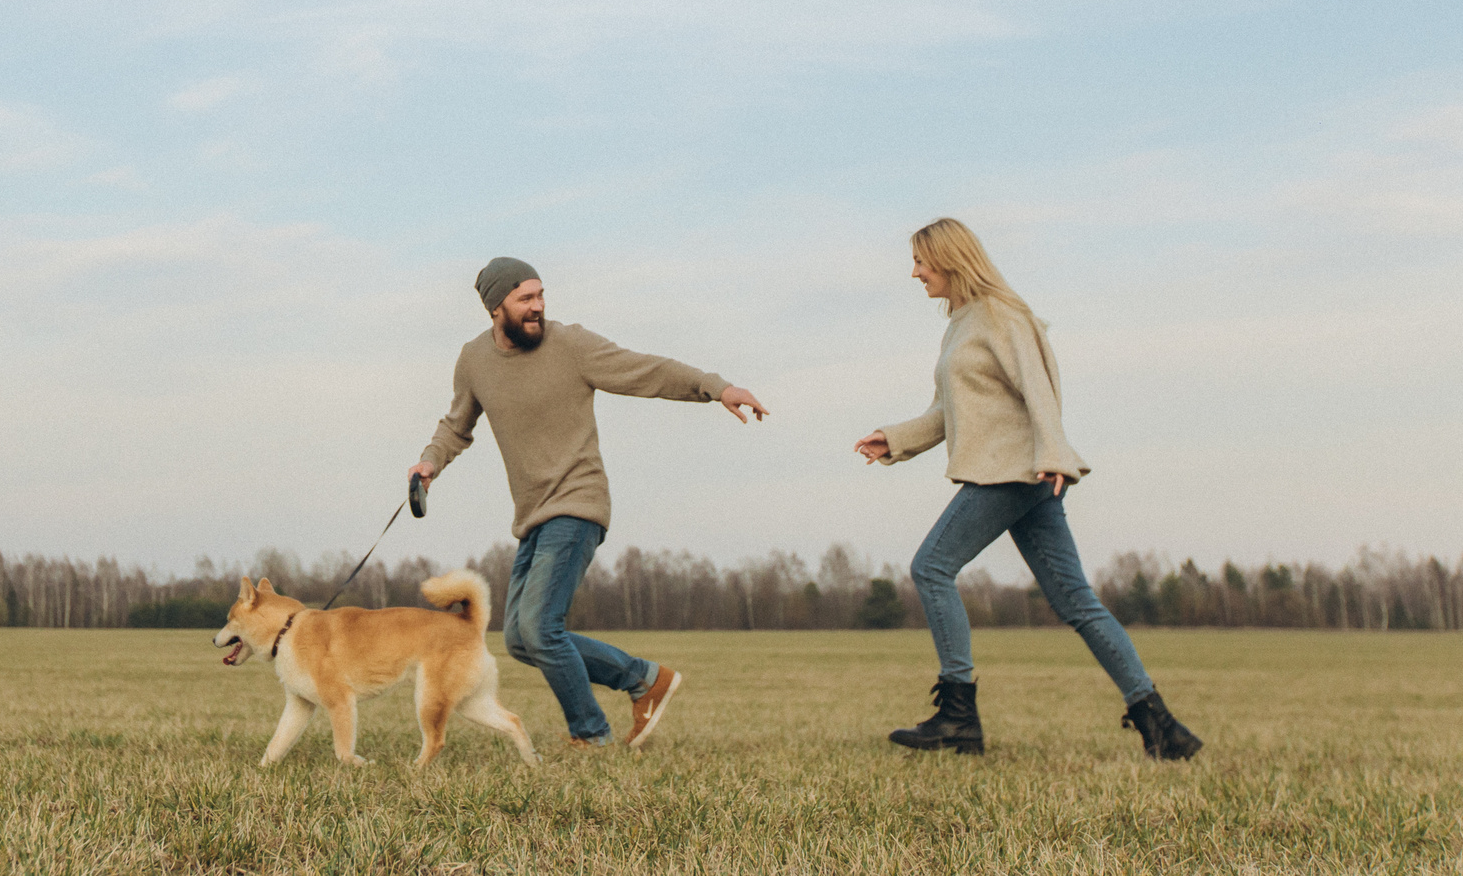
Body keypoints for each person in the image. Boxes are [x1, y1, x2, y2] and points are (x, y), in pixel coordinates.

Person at [855, 218, 1204, 761]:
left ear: (950, 258)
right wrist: (895, 439)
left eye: (921, 261)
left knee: (931, 568)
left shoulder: (1001, 315)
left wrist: (1056, 455)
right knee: (1077, 603)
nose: (915, 272)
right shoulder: (961, 323)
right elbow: (950, 410)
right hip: (1024, 476)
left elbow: (1038, 391)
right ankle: (1161, 726)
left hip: (1013, 473)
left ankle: (958, 714)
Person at [407, 256, 768, 751]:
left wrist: (715, 387)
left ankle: (590, 735)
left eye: (540, 295)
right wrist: (430, 464)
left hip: (578, 502)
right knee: (519, 638)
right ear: (496, 308)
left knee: (539, 627)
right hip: (532, 513)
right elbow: (456, 425)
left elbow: (647, 370)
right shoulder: (474, 360)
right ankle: (644, 679)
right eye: (525, 299)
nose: (538, 307)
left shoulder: (570, 345)